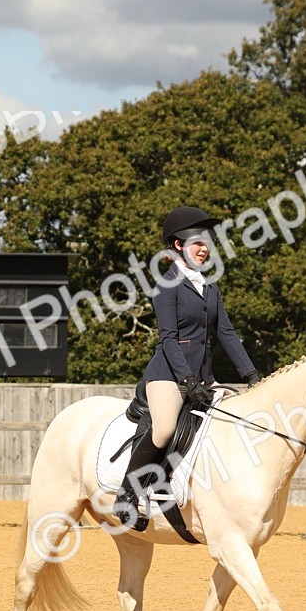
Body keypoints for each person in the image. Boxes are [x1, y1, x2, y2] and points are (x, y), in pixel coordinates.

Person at [113, 205, 261, 528]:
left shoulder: (210, 287)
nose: (204, 247)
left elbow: (226, 333)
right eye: (198, 241)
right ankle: (127, 495)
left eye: (207, 241)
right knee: (165, 429)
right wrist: (187, 379)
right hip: (168, 376)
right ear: (178, 245)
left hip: (203, 378)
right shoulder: (166, 285)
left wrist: (251, 374)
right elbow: (168, 339)